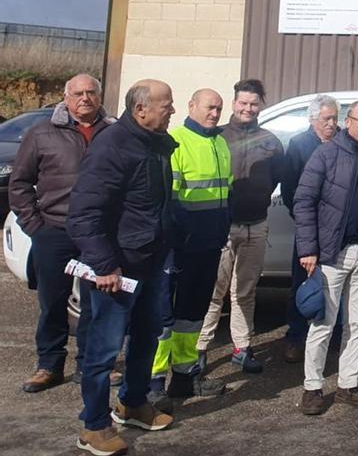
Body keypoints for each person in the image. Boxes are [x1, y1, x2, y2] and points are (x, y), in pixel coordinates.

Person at [68, 79, 177, 455]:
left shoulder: (157, 143)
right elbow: (83, 214)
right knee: (104, 349)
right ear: (141, 108)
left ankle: (132, 404)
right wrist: (104, 265)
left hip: (150, 261)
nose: (172, 111)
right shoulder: (113, 146)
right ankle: (94, 426)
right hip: (117, 269)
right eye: (167, 105)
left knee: (147, 336)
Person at [293, 99, 358, 415]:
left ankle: (347, 386)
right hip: (330, 253)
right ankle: (313, 388)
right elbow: (303, 201)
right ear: (348, 120)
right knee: (323, 323)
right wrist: (308, 248)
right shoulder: (326, 153)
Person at [11, 74, 114, 393]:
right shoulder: (41, 133)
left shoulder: (113, 133)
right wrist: (35, 227)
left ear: (99, 97)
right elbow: (20, 184)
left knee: (95, 305)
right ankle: (49, 365)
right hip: (54, 231)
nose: (85, 98)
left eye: (91, 93)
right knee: (53, 302)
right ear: (66, 98)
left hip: (97, 235)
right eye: (78, 93)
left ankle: (89, 365)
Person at [196, 80, 286, 374]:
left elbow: (274, 179)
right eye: (243, 103)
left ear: (260, 105)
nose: (248, 108)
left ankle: (242, 348)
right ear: (234, 104)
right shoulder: (217, 137)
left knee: (245, 292)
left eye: (254, 103)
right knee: (213, 292)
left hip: (256, 226)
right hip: (223, 226)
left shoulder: (271, 141)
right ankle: (199, 350)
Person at [151, 89, 231, 400]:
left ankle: (184, 377)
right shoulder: (176, 141)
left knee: (193, 314)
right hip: (179, 246)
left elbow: (228, 192)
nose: (215, 113)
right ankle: (154, 383)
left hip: (209, 245)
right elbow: (168, 198)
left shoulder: (220, 142)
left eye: (219, 108)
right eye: (210, 107)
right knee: (163, 318)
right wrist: (181, 237)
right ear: (192, 106)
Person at [281, 94, 340, 363]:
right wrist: (304, 220)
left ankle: (335, 337)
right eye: (326, 119)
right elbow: (290, 188)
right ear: (313, 119)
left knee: (336, 284)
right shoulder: (299, 144)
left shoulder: (343, 142)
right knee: (302, 284)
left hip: (337, 229)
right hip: (309, 227)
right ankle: (295, 336)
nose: (331, 124)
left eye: (335, 118)